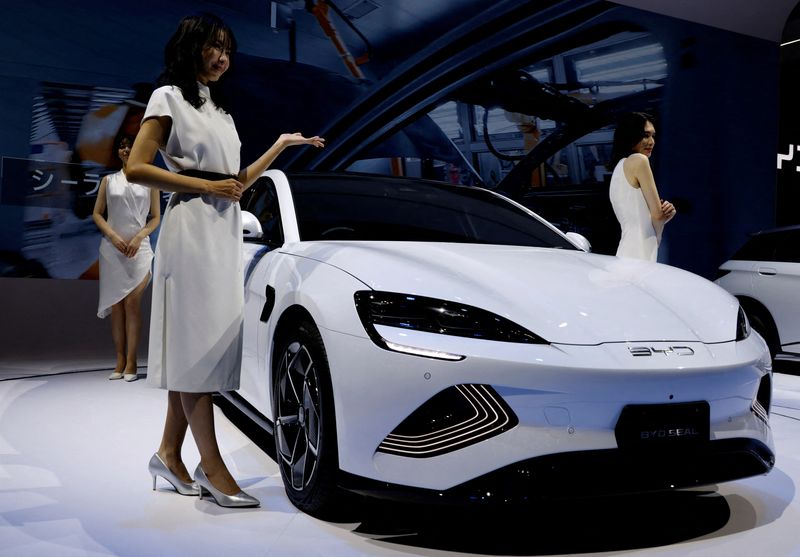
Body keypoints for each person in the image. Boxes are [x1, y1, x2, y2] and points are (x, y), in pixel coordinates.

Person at [127, 12, 324, 508]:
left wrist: (280, 145)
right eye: (214, 47)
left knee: (203, 350)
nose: (223, 57)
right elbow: (136, 167)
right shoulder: (167, 96)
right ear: (192, 47)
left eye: (227, 50)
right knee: (199, 350)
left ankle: (169, 455)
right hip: (191, 228)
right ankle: (212, 469)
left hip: (222, 231)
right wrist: (205, 186)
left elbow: (234, 181)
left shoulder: (218, 108)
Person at [92, 134, 161, 382]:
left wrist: (139, 236)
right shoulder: (108, 181)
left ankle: (132, 360)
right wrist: (112, 236)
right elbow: (97, 214)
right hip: (112, 250)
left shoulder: (150, 179)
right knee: (117, 305)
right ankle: (119, 360)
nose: (126, 149)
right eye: (122, 146)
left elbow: (155, 217)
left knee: (132, 303)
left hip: (139, 249)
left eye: (130, 145)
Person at [608, 112, 676, 261]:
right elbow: (657, 216)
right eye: (645, 135)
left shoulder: (620, 167)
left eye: (653, 136)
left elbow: (646, 218)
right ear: (630, 135)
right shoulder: (639, 160)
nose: (651, 141)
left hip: (627, 248)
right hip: (642, 250)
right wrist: (665, 216)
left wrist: (664, 215)